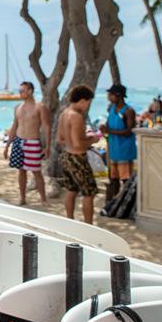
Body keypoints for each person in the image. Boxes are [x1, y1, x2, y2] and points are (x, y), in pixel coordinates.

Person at [57, 85, 100, 224]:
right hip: (77, 158)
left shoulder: (64, 114)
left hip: (66, 156)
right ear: (82, 100)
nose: (88, 106)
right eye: (88, 102)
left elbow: (60, 139)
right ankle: (89, 225)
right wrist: (92, 139)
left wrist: (80, 138)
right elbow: (78, 144)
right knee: (89, 193)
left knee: (71, 190)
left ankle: (70, 221)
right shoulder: (77, 117)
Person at [3, 81, 51, 206]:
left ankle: (43, 199)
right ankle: (22, 198)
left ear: (30, 91)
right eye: (19, 91)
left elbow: (47, 126)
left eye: (22, 91)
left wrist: (47, 146)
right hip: (18, 141)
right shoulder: (17, 107)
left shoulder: (40, 107)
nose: (20, 93)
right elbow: (14, 126)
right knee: (21, 171)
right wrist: (7, 145)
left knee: (36, 171)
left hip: (32, 142)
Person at [101, 84, 137, 199]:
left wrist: (110, 131)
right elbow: (109, 125)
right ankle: (114, 201)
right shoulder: (112, 109)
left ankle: (127, 202)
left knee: (126, 179)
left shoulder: (128, 111)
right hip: (113, 149)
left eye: (110, 95)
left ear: (118, 95)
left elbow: (129, 131)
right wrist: (104, 128)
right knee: (113, 178)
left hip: (124, 150)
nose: (108, 97)